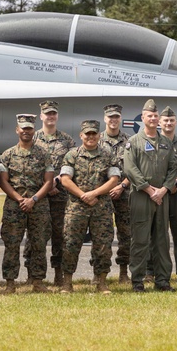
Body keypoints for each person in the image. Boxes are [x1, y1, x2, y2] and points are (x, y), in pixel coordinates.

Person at [58, 120, 121, 293]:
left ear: (99, 136)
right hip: (76, 208)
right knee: (71, 244)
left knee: (103, 245)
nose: (91, 137)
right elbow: (65, 179)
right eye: (87, 134)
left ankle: (101, 282)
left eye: (94, 134)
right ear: (81, 136)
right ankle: (67, 283)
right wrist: (83, 195)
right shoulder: (72, 155)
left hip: (101, 208)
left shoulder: (108, 155)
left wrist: (94, 194)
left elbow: (114, 179)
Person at [124, 99, 177, 292]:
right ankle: (137, 281)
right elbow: (130, 169)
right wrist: (149, 190)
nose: (154, 118)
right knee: (140, 239)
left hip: (162, 197)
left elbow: (174, 168)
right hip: (141, 196)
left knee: (162, 239)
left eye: (156, 116)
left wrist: (164, 189)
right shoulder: (134, 142)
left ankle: (163, 280)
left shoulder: (165, 142)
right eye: (150, 115)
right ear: (143, 117)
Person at [0, 114, 55, 293]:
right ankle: (10, 282)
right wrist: (20, 199)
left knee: (39, 244)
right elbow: (3, 181)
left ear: (34, 130)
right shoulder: (7, 155)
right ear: (17, 130)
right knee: (12, 244)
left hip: (39, 205)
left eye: (29, 128)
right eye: (23, 128)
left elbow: (48, 181)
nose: (26, 131)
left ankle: (37, 281)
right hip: (14, 206)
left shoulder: (44, 154)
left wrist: (34, 199)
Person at [33, 100, 75, 286]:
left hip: (60, 194)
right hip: (38, 195)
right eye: (47, 113)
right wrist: (45, 186)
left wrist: (55, 182)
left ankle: (59, 274)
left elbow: (72, 165)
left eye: (53, 113)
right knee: (36, 235)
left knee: (60, 235)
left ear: (57, 116)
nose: (50, 117)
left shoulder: (67, 141)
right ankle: (33, 275)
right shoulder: (32, 138)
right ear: (41, 116)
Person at [100, 104, 132, 283]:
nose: (113, 120)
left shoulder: (129, 141)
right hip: (103, 195)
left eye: (116, 117)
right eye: (110, 117)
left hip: (124, 193)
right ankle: (100, 274)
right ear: (105, 119)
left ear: (120, 119)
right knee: (102, 235)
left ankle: (123, 272)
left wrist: (122, 186)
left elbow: (133, 168)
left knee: (126, 234)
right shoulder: (96, 140)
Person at [159, 106, 177, 281]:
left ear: (175, 122)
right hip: (159, 194)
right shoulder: (154, 142)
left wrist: (175, 182)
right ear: (160, 123)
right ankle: (152, 270)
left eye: (171, 120)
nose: (169, 123)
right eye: (166, 120)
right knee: (157, 234)